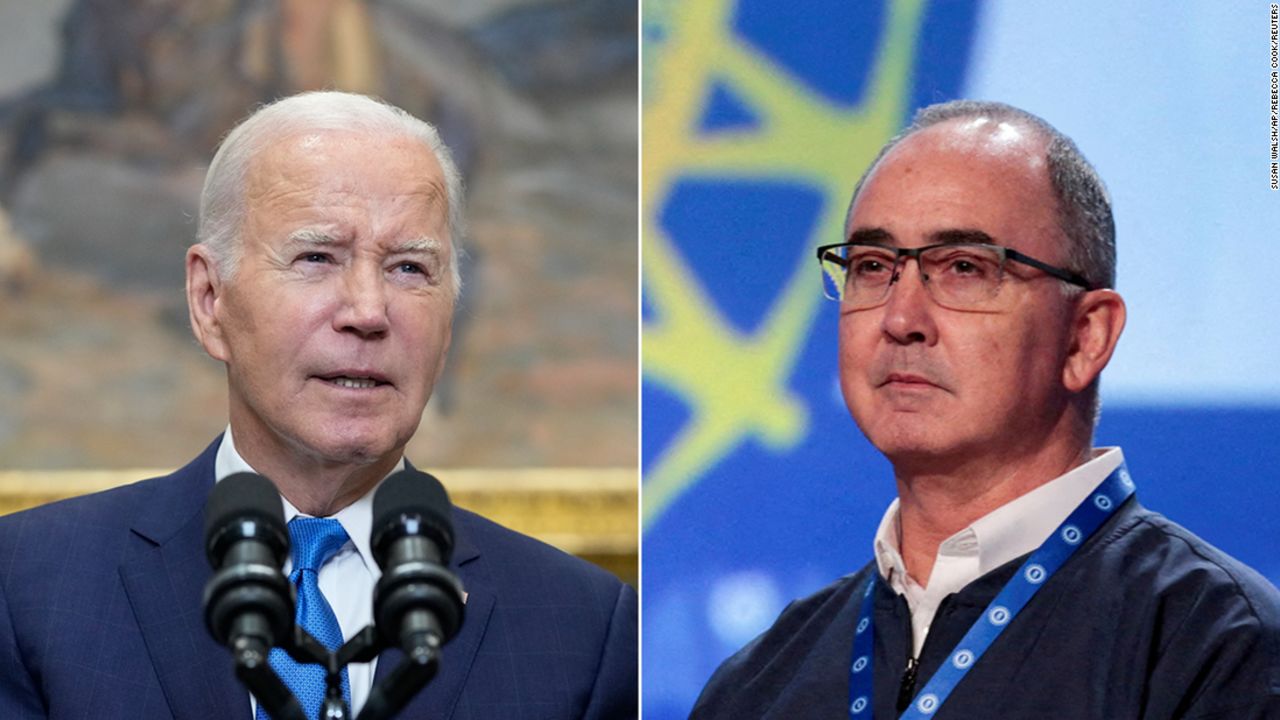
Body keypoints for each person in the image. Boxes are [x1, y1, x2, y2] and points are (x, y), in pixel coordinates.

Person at [0, 91, 636, 720]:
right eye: (317, 258)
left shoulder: (584, 630)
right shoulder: (30, 586)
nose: (367, 312)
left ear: (450, 322)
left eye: (410, 268)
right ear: (208, 300)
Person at [691, 100, 1280, 719]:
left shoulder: (1213, 645)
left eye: (964, 268)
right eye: (872, 267)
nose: (900, 320)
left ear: (1085, 337)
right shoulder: (758, 681)